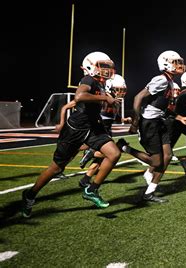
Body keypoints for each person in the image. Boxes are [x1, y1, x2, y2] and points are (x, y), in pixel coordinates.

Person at [20, 52, 122, 217]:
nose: (107, 69)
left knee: (114, 153)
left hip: (93, 128)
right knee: (56, 169)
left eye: (107, 66)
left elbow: (83, 102)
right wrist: (105, 98)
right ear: (90, 66)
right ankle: (29, 195)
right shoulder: (88, 80)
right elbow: (79, 96)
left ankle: (91, 189)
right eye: (102, 66)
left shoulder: (100, 84)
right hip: (75, 130)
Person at [116, 50, 186, 203]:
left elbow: (161, 105)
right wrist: (135, 121)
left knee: (167, 157)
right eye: (176, 62)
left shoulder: (171, 82)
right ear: (166, 64)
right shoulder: (161, 79)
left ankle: (150, 192)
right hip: (149, 123)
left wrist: (178, 116)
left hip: (159, 121)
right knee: (156, 162)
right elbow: (138, 97)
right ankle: (125, 148)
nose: (180, 65)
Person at [78, 74, 131, 188]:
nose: (120, 92)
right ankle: (90, 152)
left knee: (103, 158)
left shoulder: (113, 99)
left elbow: (112, 115)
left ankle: (86, 179)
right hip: (99, 127)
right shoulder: (102, 97)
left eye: (122, 90)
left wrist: (123, 119)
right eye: (117, 89)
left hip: (107, 126)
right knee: (113, 152)